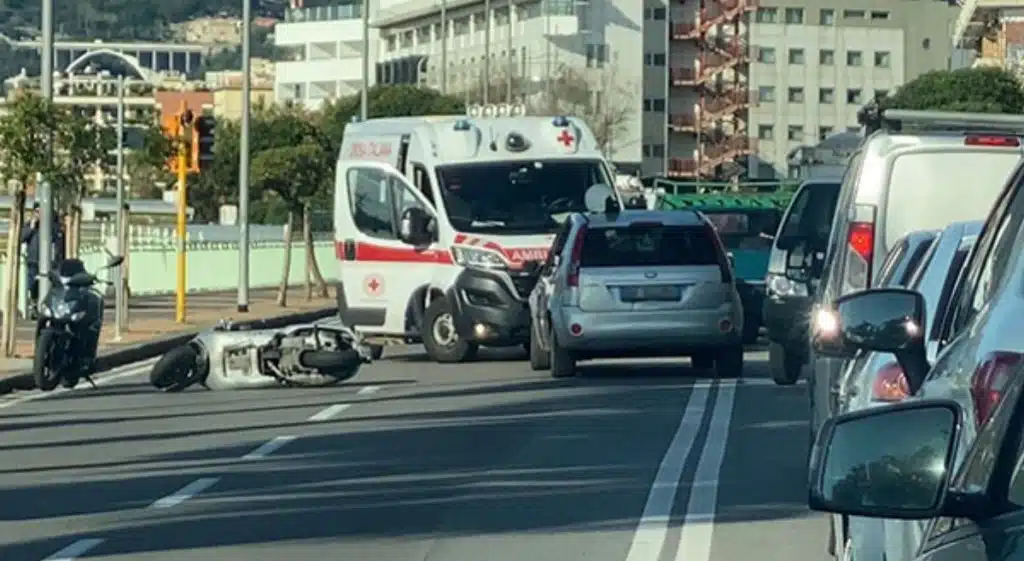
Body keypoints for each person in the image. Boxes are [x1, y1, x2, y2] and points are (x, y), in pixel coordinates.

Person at [22, 203, 66, 314]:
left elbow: (59, 242)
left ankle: (49, 308)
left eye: (41, 211)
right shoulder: (30, 225)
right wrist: (31, 227)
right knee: (33, 286)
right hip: (33, 261)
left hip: (51, 263)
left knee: (52, 285)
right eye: (37, 212)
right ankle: (34, 306)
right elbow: (22, 238)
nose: (39, 214)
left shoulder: (53, 225)